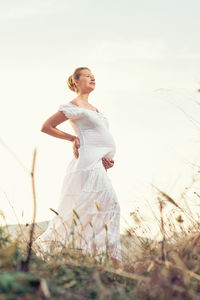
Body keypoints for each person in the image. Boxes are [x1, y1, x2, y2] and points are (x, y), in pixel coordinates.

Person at [33, 67, 123, 268]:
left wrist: (104, 159)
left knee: (97, 211)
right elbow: (46, 127)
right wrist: (72, 138)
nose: (92, 77)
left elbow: (98, 138)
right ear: (75, 82)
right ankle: (113, 265)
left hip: (97, 163)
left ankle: (99, 262)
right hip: (86, 164)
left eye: (94, 75)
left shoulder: (94, 108)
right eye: (87, 75)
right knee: (110, 207)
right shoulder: (73, 105)